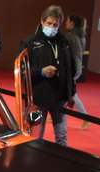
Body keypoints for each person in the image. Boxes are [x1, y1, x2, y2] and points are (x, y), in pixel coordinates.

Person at [19, 5, 75, 146]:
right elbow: (21, 70)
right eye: (49, 23)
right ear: (42, 21)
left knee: (62, 137)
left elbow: (70, 70)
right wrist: (41, 71)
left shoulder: (64, 43)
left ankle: (61, 159)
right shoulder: (29, 43)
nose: (52, 27)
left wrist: (71, 93)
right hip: (38, 97)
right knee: (36, 136)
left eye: (55, 25)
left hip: (60, 97)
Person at [65, 13, 91, 130]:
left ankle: (85, 117)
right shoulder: (81, 35)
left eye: (67, 21)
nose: (66, 23)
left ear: (72, 23)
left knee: (72, 94)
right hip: (77, 67)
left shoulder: (70, 36)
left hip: (72, 69)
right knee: (68, 93)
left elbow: (71, 55)